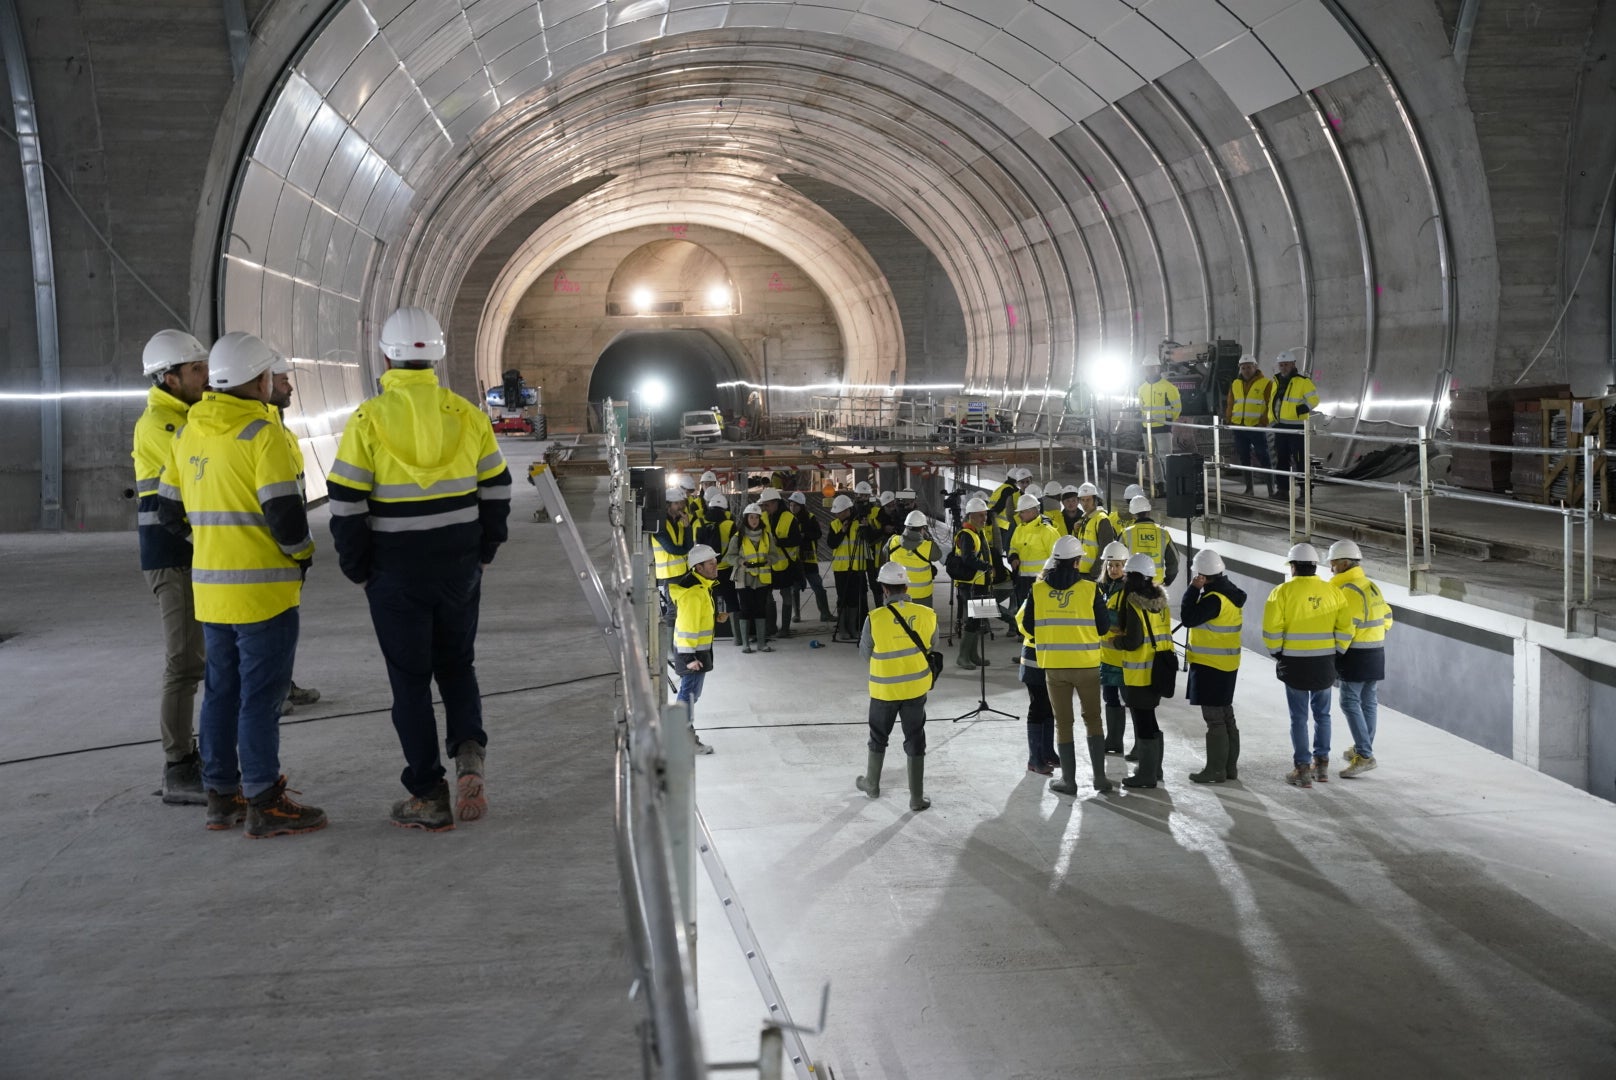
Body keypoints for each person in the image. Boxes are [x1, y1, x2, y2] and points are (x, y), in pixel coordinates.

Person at [328, 306, 511, 830]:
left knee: (409, 682)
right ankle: (469, 749)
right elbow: (498, 488)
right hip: (458, 567)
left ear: (386, 358)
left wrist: (359, 568)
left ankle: (429, 795)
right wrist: (485, 549)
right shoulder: (467, 415)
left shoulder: (368, 420)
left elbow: (345, 503)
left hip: (396, 571)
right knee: (458, 665)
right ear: (437, 357)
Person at [156, 331, 324, 837]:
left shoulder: (188, 433)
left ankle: (220, 796)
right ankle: (265, 802)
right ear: (258, 380)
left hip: (211, 593)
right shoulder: (262, 434)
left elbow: (167, 512)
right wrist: (303, 555)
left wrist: (210, 543)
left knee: (221, 694)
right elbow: (286, 519)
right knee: (260, 699)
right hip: (264, 595)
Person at [134, 329, 211, 806]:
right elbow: (194, 477)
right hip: (170, 554)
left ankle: (192, 757)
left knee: (195, 659)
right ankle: (178, 766)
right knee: (182, 662)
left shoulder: (186, 416)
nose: (206, 377)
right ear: (169, 378)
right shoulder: (160, 424)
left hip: (190, 554)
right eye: (196, 370)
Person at [1020, 534, 1112, 795]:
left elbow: (1028, 626)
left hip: (1055, 666)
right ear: (1077, 561)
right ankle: (1100, 779)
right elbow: (1103, 628)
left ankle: (1069, 782)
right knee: (1093, 720)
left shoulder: (1038, 590)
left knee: (1063, 723)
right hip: (1087, 666)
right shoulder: (1091, 589)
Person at [1262, 543, 1354, 787]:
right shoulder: (1333, 591)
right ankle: (1321, 766)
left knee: (1299, 718)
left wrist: (1277, 653)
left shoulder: (1281, 592)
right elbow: (1346, 627)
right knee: (1323, 714)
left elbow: (1271, 628)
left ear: (1293, 567)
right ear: (1315, 566)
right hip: (1325, 662)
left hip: (1294, 663)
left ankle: (1302, 769)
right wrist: (1337, 652)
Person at [855, 560, 939, 812]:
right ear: (906, 586)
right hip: (915, 689)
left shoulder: (875, 618)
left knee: (878, 737)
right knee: (915, 738)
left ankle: (872, 784)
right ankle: (916, 798)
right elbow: (932, 645)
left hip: (884, 691)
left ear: (884, 588)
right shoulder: (927, 614)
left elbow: (865, 654)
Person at [266, 358, 321, 714]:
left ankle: (283, 684)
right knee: (269, 625)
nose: (289, 386)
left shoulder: (280, 428)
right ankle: (272, 693)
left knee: (286, 623)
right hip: (270, 545)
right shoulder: (260, 430)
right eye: (282, 380)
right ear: (261, 382)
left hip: (288, 543)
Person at [1180, 547, 1246, 783]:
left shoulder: (1213, 599)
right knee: (1226, 715)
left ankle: (1216, 769)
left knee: (1215, 718)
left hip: (1211, 665)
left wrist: (1192, 589)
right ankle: (1229, 768)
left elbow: (1188, 618)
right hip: (1226, 663)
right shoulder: (1230, 594)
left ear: (1201, 575)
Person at [1108, 553, 1174, 788]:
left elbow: (1134, 641)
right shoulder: (1161, 601)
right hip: (1159, 668)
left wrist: (1116, 641)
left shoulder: (1133, 602)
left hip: (1140, 672)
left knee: (1143, 721)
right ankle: (1155, 769)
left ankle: (1146, 775)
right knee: (1150, 719)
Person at [1328, 539, 1393, 778]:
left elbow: (1347, 628)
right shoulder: (1370, 586)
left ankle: (1365, 755)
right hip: (1376, 650)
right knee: (1368, 702)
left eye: (1334, 563)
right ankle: (1362, 747)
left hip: (1356, 653)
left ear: (1345, 564)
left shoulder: (1348, 591)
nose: (1331, 568)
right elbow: (1388, 618)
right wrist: (1374, 636)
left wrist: (1335, 653)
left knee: (1348, 701)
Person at [671, 543, 724, 755]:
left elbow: (697, 620)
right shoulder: (694, 593)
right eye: (710, 563)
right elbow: (687, 627)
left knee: (690, 695)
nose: (715, 566)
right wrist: (688, 658)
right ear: (698, 567)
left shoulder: (702, 586)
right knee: (688, 697)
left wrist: (715, 617)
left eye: (715, 562)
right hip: (692, 655)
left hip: (697, 653)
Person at [949, 496, 998, 669]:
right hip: (970, 584)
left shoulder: (978, 532)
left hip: (980, 582)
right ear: (971, 516)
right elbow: (967, 558)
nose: (984, 518)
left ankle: (973, 655)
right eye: (980, 515)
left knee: (978, 620)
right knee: (972, 620)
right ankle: (963, 656)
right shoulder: (966, 535)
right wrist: (987, 566)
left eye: (985, 515)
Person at [725, 502, 777, 653]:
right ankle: (745, 644)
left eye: (756, 517)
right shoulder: (738, 537)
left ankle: (761, 643)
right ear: (746, 519)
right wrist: (740, 561)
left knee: (761, 609)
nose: (754, 520)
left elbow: (775, 555)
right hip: (744, 578)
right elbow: (729, 557)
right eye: (751, 517)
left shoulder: (767, 536)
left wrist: (769, 560)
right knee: (745, 609)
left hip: (762, 578)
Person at [1269, 349, 1320, 499]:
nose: (1283, 367)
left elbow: (1314, 399)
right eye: (1281, 365)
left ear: (1293, 364)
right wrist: (1272, 421)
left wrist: (1302, 408)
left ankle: (1305, 493)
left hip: (1297, 428)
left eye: (1286, 364)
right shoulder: (1276, 382)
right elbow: (1273, 402)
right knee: (1281, 459)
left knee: (1300, 460)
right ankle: (1283, 490)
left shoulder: (1303, 381)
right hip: (1280, 427)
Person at [1096, 541, 1131, 755]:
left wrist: (1104, 617)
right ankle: (1113, 741)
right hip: (1107, 657)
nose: (1113, 569)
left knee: (1130, 701)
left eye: (1118, 565)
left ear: (1126, 565)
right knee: (1110, 699)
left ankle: (1138, 744)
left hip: (1123, 658)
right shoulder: (1104, 589)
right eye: (1110, 565)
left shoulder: (1128, 591)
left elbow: (1123, 621)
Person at [1007, 491, 1060, 636]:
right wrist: (1013, 556)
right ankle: (1025, 636)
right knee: (1025, 611)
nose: (1019, 515)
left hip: (1041, 580)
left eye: (1022, 512)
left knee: (1040, 611)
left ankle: (1038, 637)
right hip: (1023, 578)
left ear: (1033, 511)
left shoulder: (1047, 531)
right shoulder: (1019, 529)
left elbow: (1056, 557)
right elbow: (1013, 547)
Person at [1226, 355, 1274, 497]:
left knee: (1263, 456)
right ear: (1240, 369)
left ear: (1255, 367)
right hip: (1239, 427)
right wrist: (1229, 420)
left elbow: (1270, 404)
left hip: (1256, 427)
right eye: (1243, 368)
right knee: (1244, 457)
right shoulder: (1235, 383)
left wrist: (1263, 422)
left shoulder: (1266, 383)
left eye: (1249, 367)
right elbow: (1231, 403)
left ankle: (1271, 490)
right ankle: (1249, 489)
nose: (1246, 370)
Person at [697, 490, 739, 643]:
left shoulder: (700, 523)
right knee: (732, 601)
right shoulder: (730, 524)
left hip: (707, 570)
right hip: (726, 568)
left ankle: (709, 634)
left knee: (708, 601)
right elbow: (736, 547)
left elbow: (697, 547)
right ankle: (737, 637)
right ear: (725, 509)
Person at [1137, 357, 1182, 494]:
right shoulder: (1142, 388)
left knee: (1166, 458)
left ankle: (1171, 486)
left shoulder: (1169, 387)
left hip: (1163, 428)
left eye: (1153, 367)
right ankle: (1159, 484)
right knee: (1152, 457)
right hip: (1147, 428)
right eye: (1147, 368)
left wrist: (1168, 421)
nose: (1150, 370)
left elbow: (1177, 408)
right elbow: (1142, 408)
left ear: (1159, 368)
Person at [791, 490, 835, 623]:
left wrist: (805, 535)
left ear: (802, 506)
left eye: (795, 505)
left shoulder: (810, 518)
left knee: (818, 586)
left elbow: (818, 534)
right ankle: (796, 615)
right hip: (794, 558)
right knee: (794, 588)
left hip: (809, 557)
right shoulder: (788, 519)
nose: (792, 508)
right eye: (791, 505)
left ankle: (825, 613)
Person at [828, 493, 866, 640]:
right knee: (842, 599)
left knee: (853, 599)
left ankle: (853, 627)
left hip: (856, 568)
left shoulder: (859, 524)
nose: (837, 515)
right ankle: (842, 629)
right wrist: (842, 532)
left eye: (839, 512)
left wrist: (866, 527)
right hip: (840, 569)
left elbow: (869, 538)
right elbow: (831, 543)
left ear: (847, 511)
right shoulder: (834, 525)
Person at [885, 509, 939, 608]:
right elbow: (938, 555)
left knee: (899, 617)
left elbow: (884, 555)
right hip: (922, 596)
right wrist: (927, 537)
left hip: (898, 594)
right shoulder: (928, 546)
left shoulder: (893, 541)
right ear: (923, 529)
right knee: (923, 617)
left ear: (906, 526)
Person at [1124, 495, 1179, 586]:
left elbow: (1117, 558)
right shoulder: (1163, 533)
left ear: (1133, 514)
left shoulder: (1126, 533)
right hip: (1156, 585)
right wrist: (1168, 580)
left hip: (1133, 584)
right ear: (1149, 512)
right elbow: (1174, 560)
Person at [1071, 482, 1118, 577]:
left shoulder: (1102, 519)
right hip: (1081, 572)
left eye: (1088, 500)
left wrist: (1095, 572)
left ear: (1095, 500)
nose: (1085, 503)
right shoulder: (1084, 519)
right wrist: (1075, 532)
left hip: (1092, 575)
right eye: (1083, 500)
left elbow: (1105, 549)